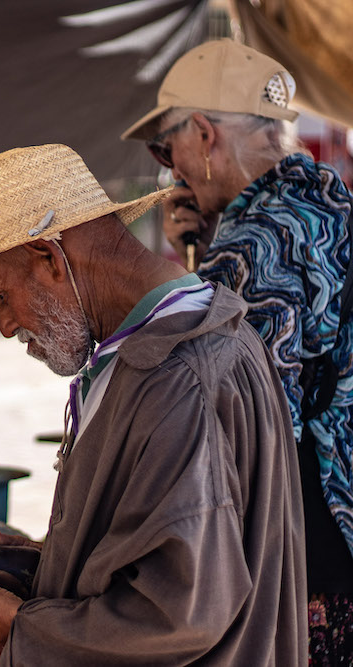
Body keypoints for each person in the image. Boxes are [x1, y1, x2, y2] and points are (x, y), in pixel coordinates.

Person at [0, 144, 306, 664]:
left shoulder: (177, 377)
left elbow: (177, 618)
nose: (4, 328)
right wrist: (59, 562)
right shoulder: (167, 346)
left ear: (49, 257)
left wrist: (21, 635)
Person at [122, 38, 353, 663]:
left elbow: (226, 411)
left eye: (166, 150)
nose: (173, 172)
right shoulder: (330, 203)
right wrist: (200, 247)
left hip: (311, 545)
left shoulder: (248, 247)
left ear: (202, 134)